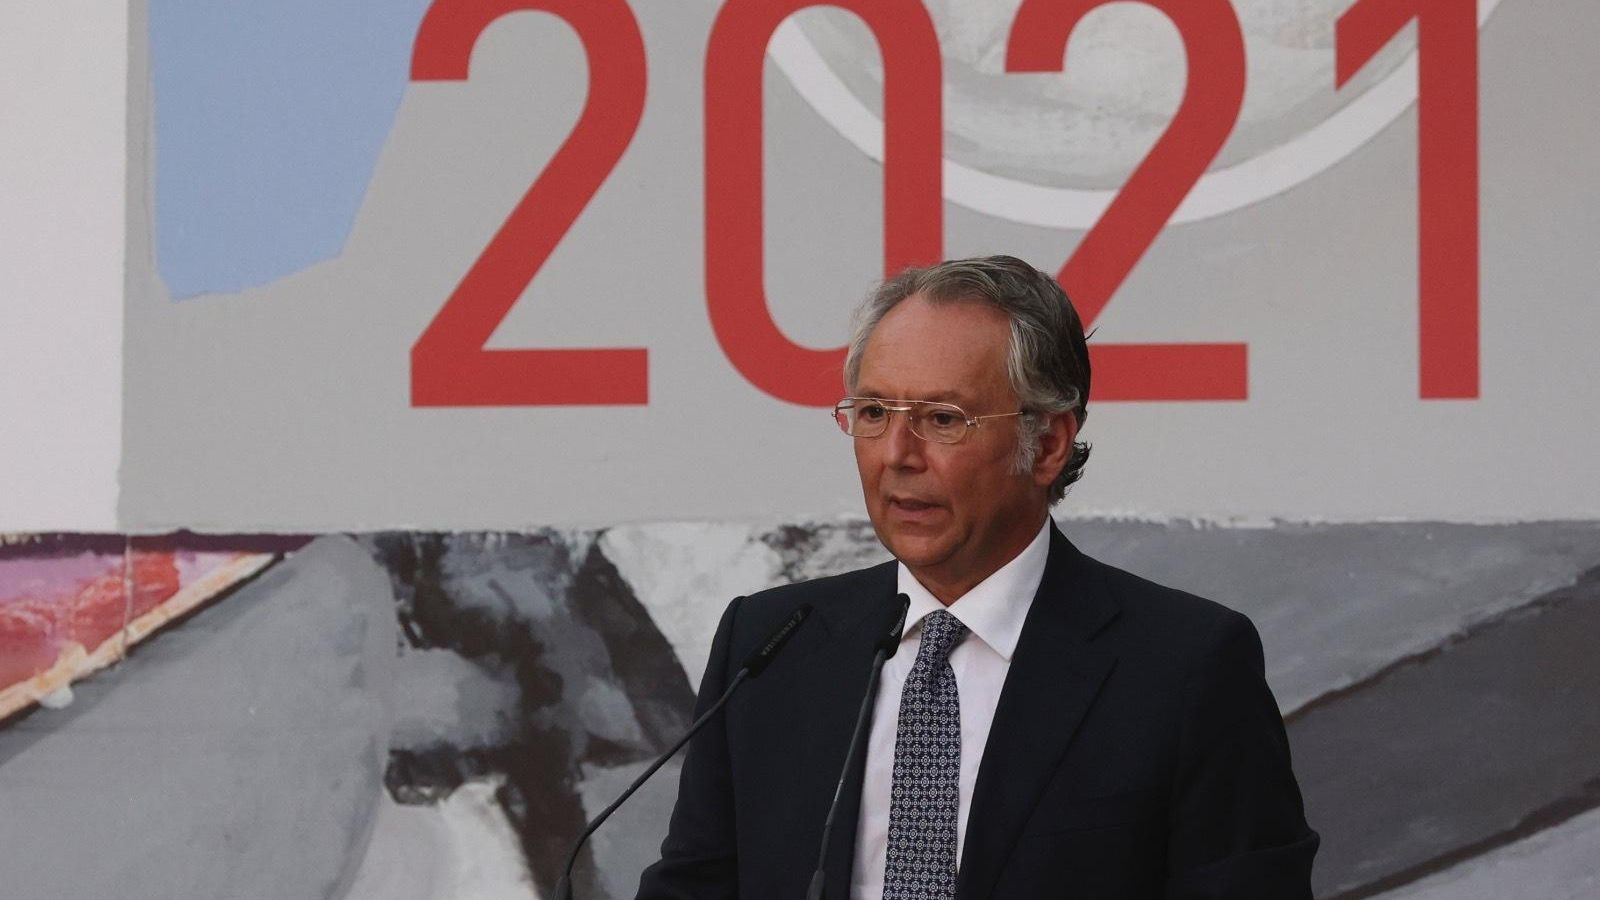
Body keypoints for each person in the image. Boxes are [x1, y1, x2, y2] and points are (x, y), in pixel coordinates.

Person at [636, 256, 1317, 899]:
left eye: (942, 419)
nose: (898, 456)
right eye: (874, 413)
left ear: (1047, 443)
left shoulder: (1184, 667)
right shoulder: (772, 644)